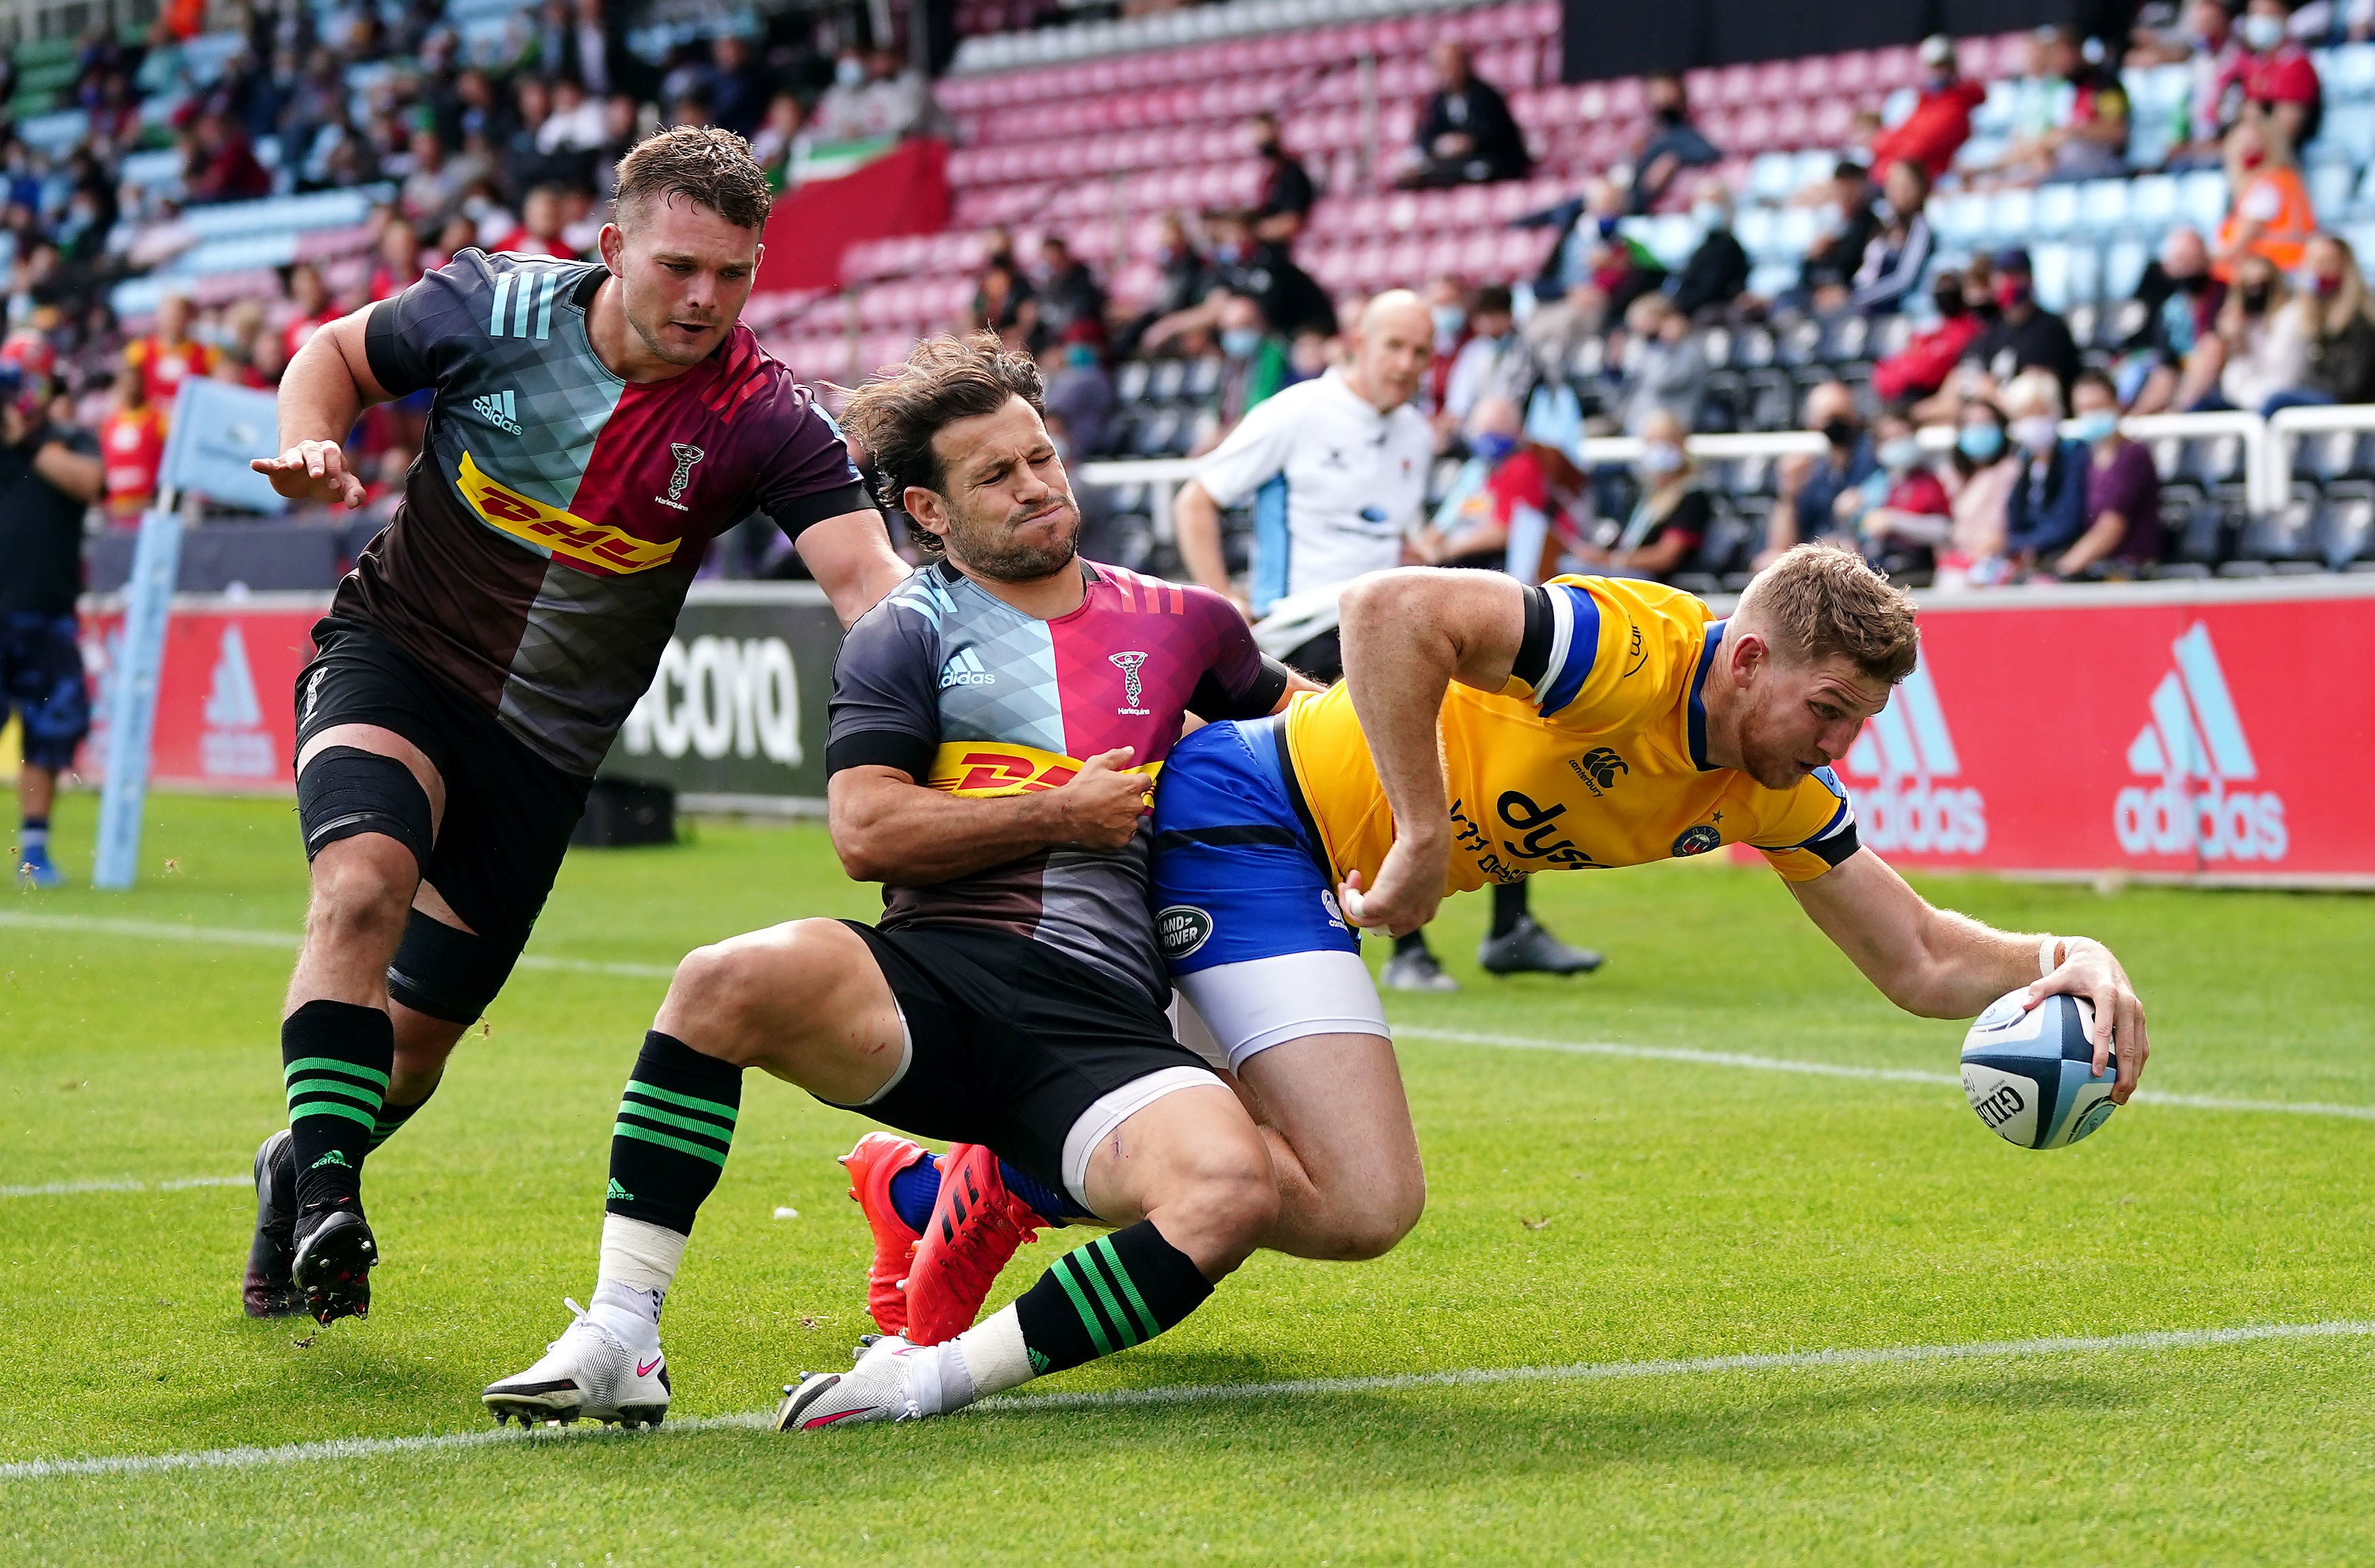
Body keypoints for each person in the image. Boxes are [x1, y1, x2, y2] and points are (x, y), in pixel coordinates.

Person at [886, 544, 2153, 1350]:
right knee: (1354, 1194)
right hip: (1247, 816)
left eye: (1860, 723)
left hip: (1309, 877)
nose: (1839, 745)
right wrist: (1428, 834)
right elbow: (1388, 609)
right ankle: (987, 1190)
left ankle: (949, 1187)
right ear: (1750, 656)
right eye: (1828, 710)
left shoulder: (1772, 784)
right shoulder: (1630, 650)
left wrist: (2064, 949)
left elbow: (1919, 959)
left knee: (1267, 1173)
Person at [482, 330, 1315, 1431]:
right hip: (932, 990)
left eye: (1041, 459)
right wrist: (1063, 810)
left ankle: (928, 1372)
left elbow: (1310, 738)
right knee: (722, 979)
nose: (1035, 487)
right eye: (995, 475)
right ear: (926, 511)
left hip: (1107, 1028)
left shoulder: (1186, 622)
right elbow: (865, 828)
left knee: (1235, 1193)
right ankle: (619, 1333)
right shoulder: (902, 634)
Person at [235, 127, 912, 1327]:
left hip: (543, 753)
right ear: (612, 247)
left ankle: (296, 1158)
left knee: (417, 1048)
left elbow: (868, 584)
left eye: (734, 273)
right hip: (394, 658)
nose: (705, 298)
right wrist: (310, 438)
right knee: (359, 888)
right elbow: (333, 353)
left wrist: (940, 679)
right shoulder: (490, 305)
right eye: (678, 267)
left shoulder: (764, 416)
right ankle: (332, 1203)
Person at [1175, 292, 1595, 989]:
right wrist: (1225, 600)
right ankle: (1406, 946)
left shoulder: (1411, 433)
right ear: (1356, 343)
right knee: (1394, 766)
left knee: (1497, 732)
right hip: (1307, 623)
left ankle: (1507, 926)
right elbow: (1197, 498)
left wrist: (1428, 556)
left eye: (1420, 352)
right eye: (1393, 347)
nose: (1405, 364)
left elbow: (1389, 530)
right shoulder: (1297, 412)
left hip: (1391, 622)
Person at [0, 365, 102, 888]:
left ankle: (34, 850)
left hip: (47, 614)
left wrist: (29, 443)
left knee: (48, 734)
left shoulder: (67, 439)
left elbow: (90, 483)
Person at [2049, 369, 2164, 578]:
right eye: (2083, 409)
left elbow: (2111, 527)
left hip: (2129, 570)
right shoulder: (2083, 458)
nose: (2090, 415)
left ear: (2116, 405)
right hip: (2094, 566)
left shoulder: (2132, 456)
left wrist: (2063, 570)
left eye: (2097, 407)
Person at [1577, 408, 1705, 581]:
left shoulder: (1691, 495)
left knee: (1577, 572)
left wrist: (1611, 561)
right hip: (1631, 573)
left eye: (1665, 441)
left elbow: (1667, 557)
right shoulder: (1647, 493)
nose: (1657, 450)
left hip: (1656, 583)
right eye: (1651, 442)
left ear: (1680, 444)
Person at [1760, 381, 1875, 567]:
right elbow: (1781, 546)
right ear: (1812, 424)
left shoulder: (1871, 458)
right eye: (1830, 418)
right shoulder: (1810, 470)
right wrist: (1788, 493)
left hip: (1862, 556)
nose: (1838, 425)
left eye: (1842, 416)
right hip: (1815, 556)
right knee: (1768, 562)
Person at [2118, 227, 2226, 413]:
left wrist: (2178, 409)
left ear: (2206, 259)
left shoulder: (2227, 298)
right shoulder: (2171, 310)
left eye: (2191, 259)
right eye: (2179, 261)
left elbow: (2214, 351)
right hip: (2184, 391)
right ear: (2167, 268)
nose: (2186, 268)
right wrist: (2136, 418)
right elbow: (2166, 369)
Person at [1401, 41, 1531, 189]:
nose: (1446, 72)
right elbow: (1427, 136)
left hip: (1491, 163)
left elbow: (1498, 137)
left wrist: (1469, 142)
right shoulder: (1438, 102)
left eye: (1450, 65)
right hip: (1457, 166)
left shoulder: (1486, 96)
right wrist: (1440, 145)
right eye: (1440, 67)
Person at [1840, 408, 1953, 578]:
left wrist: (1894, 522)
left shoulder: (1928, 483)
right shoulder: (1875, 484)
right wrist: (1845, 515)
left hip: (1916, 570)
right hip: (1877, 568)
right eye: (1888, 439)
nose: (1895, 443)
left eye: (1900, 436)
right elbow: (1860, 532)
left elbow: (1944, 530)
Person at [2001, 370, 2091, 569]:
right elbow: (2013, 515)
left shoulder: (2073, 456)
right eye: (2024, 415)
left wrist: (2021, 544)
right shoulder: (2024, 462)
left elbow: (2067, 519)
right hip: (2028, 556)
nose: (2032, 422)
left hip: (2060, 554)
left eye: (2039, 412)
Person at [1964, 247, 2080, 401]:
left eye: (2017, 275)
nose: (2009, 282)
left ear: (2030, 279)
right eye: (2004, 275)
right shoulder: (1994, 329)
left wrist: (1990, 394)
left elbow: (2037, 397)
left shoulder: (2049, 328)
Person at [2212, 113, 2314, 282]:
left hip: (2275, 277)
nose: (2249, 150)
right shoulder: (2284, 179)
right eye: (2243, 144)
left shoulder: (2267, 187)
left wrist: (2202, 260)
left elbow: (2238, 246)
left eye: (2256, 143)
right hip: (2282, 272)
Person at [1869, 35, 1986, 180]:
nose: (1938, 71)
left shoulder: (1956, 108)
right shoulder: (1925, 101)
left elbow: (1920, 148)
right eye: (1933, 66)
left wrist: (1890, 147)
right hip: (1896, 173)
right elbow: (1888, 140)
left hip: (1924, 178)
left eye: (1943, 65)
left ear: (1953, 67)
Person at [2283, 231, 2375, 409]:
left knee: (2279, 401)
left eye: (2326, 261)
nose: (2318, 269)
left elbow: (2352, 386)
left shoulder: (2361, 319)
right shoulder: (2308, 318)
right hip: (2323, 404)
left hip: (2351, 409)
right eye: (2313, 262)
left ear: (2344, 267)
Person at [1933, 400, 2018, 588]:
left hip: (1999, 560)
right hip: (1957, 562)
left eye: (1986, 423)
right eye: (1970, 423)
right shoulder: (1949, 476)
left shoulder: (2011, 471)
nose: (1978, 430)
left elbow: (2005, 525)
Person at [1872, 267, 1983, 405]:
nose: (1944, 294)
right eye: (1940, 289)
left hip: (1932, 394)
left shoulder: (1968, 329)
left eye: (1950, 289)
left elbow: (1926, 372)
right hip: (1907, 392)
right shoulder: (1935, 329)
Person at [1627, 73, 1720, 215]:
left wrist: (1673, 159)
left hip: (1664, 215)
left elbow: (1710, 153)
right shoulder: (1647, 135)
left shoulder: (1684, 133)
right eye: (1656, 90)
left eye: (1666, 89)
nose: (1661, 96)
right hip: (1634, 207)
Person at [1849, 161, 1933, 318]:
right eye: (1893, 185)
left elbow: (1904, 280)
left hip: (1895, 312)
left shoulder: (1920, 228)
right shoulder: (1883, 222)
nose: (1897, 192)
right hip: (1867, 306)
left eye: (1905, 186)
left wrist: (1859, 297)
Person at [2237, 0, 2322, 149]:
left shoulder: (2297, 65)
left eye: (2267, 14)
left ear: (2284, 17)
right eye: (2255, 14)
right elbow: (2249, 119)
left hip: (2290, 156)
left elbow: (2285, 134)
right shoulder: (2258, 64)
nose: (2259, 21)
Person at [123, 292, 217, 417]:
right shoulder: (139, 350)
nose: (174, 320)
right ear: (159, 316)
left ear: (189, 317)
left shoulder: (207, 354)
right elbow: (126, 390)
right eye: (170, 314)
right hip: (154, 427)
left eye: (179, 314)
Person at [1671, 179, 1750, 318]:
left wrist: (1677, 310)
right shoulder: (1702, 246)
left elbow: (1710, 290)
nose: (1707, 208)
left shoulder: (1728, 248)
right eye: (1703, 202)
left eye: (1714, 203)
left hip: (1709, 314)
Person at [1247, 112, 1315, 244]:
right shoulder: (1265, 176)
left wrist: (1251, 232)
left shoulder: (1291, 174)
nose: (1262, 141)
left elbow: (1292, 222)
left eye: (1264, 135)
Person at [1032, 235, 1106, 351]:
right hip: (1054, 340)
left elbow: (1081, 312)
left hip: (1080, 340)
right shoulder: (1048, 284)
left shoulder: (1082, 280)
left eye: (1054, 256)